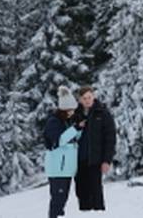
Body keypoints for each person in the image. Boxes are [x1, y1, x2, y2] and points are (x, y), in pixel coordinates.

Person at [73, 85, 117, 211]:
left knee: (96, 191)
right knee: (81, 192)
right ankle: (85, 213)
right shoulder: (75, 115)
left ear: (93, 97)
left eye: (89, 97)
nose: (87, 100)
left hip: (95, 160)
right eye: (84, 98)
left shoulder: (102, 113)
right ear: (80, 100)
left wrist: (107, 160)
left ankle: (99, 213)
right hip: (78, 160)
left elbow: (110, 138)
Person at [44, 86, 82, 218]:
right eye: (70, 110)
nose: (72, 112)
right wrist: (76, 128)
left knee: (62, 201)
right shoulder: (53, 122)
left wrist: (80, 130)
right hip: (57, 169)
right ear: (63, 109)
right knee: (57, 201)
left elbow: (73, 138)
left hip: (66, 169)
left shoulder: (67, 122)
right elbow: (59, 140)